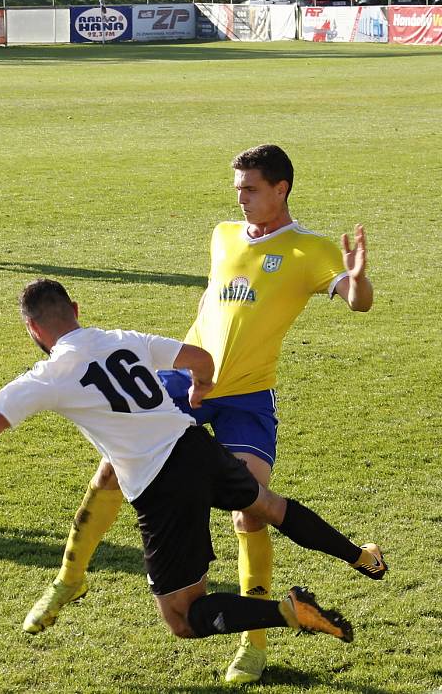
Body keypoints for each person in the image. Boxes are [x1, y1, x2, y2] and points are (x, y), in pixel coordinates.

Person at [0, 279, 386, 658]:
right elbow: (198, 359)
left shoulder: (50, 375)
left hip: (161, 486)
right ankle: (360, 556)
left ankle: (290, 612)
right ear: (75, 308)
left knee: (183, 617)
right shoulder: (120, 337)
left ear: (32, 329)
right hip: (196, 445)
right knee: (268, 505)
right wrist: (200, 389)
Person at [24, 144, 376, 684]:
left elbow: (356, 300)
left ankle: (252, 645)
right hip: (185, 377)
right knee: (112, 467)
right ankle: (70, 577)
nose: (240, 198)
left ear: (281, 189)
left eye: (251, 188)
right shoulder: (223, 234)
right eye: (236, 187)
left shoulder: (312, 250)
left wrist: (357, 281)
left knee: (251, 510)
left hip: (247, 396)